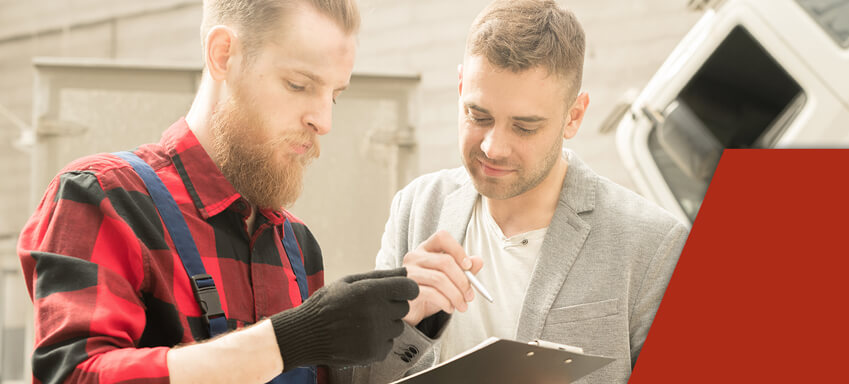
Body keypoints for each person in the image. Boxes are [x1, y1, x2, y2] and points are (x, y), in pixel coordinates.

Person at [17, 1, 433, 383]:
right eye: (298, 84)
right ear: (223, 55)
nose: (323, 120)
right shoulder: (105, 198)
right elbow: (75, 376)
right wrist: (287, 340)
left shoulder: (297, 246)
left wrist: (408, 320)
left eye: (335, 96)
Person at [373, 0, 690, 382]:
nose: (493, 147)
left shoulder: (652, 244)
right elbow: (359, 376)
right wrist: (404, 322)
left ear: (573, 116)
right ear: (460, 87)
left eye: (524, 127)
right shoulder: (416, 208)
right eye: (479, 115)